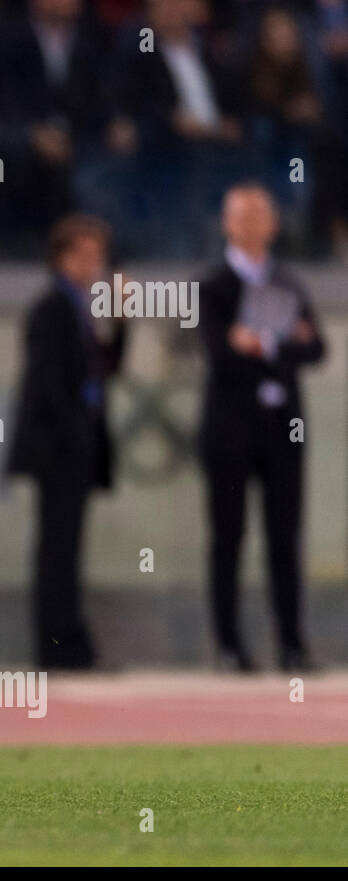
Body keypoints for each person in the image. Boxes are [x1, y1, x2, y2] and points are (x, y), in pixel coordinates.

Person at [197, 183, 326, 672]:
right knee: (228, 537)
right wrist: (279, 343)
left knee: (285, 538)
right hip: (229, 430)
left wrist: (263, 343)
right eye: (241, 216)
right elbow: (220, 352)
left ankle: (292, 645)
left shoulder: (289, 283)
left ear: (273, 224)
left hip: (282, 429)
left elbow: (316, 348)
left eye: (260, 216)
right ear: (228, 224)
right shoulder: (211, 285)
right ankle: (230, 646)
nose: (251, 225)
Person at [6, 214, 125, 669]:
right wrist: (74, 433)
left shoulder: (81, 308)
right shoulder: (51, 308)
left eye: (98, 255)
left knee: (68, 548)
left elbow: (106, 370)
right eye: (84, 254)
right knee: (57, 550)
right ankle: (57, 647)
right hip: (58, 450)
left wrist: (120, 323)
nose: (93, 264)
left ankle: (71, 643)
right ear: (60, 258)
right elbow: (48, 385)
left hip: (79, 446)